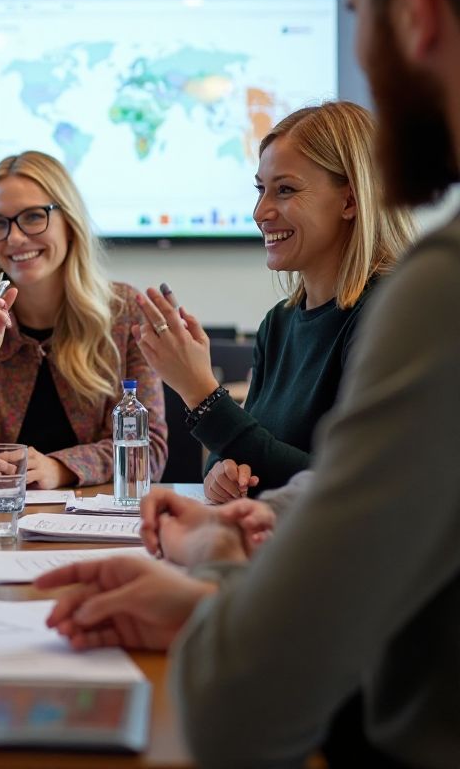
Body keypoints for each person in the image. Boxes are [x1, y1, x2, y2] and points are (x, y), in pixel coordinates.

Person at [38, 0, 460, 767]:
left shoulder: (433, 295)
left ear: (411, 9)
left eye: (351, 7)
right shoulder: (320, 316)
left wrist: (211, 600)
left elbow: (240, 703)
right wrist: (227, 556)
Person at [135, 100, 413, 501]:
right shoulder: (278, 324)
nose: (260, 211)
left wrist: (201, 394)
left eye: (285, 190)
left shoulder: (390, 316)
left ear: (350, 201)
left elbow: (348, 486)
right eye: (260, 189)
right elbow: (244, 449)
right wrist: (221, 475)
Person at [0, 151, 167, 488]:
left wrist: (60, 469)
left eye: (33, 217)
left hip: (97, 526)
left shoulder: (125, 314)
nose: (15, 238)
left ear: (70, 222)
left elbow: (147, 454)